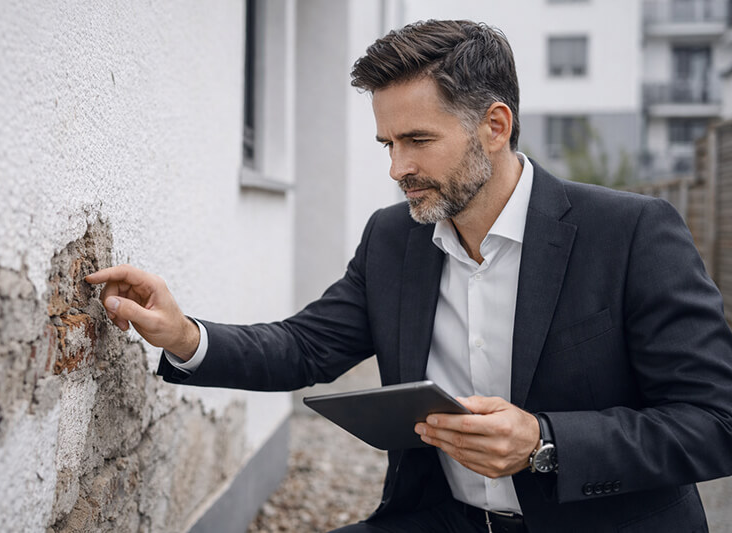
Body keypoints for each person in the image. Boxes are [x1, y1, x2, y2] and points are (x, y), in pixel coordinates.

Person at [86, 19, 732, 533]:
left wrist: (545, 440)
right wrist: (182, 333)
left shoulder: (632, 231)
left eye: (416, 140)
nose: (397, 167)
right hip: (441, 516)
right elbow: (306, 346)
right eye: (386, 144)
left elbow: (713, 421)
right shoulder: (394, 237)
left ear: (495, 126)